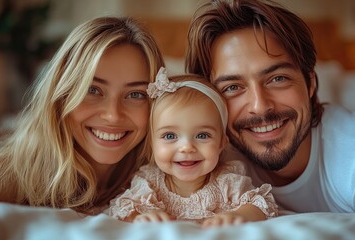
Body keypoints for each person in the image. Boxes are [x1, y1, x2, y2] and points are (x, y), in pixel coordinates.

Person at [185, 0, 355, 214]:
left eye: (278, 78)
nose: (260, 107)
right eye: (232, 87)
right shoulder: (196, 156)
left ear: (311, 83)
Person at [0, 16, 165, 214]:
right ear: (61, 95)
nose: (113, 116)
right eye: (92, 90)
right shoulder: (4, 177)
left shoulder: (163, 181)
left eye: (135, 94)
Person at [106, 67, 277, 227]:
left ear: (221, 144)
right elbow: (123, 208)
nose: (187, 148)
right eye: (170, 136)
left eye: (202, 135)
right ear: (152, 144)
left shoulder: (226, 182)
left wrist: (241, 215)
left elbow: (261, 204)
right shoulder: (149, 182)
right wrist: (139, 217)